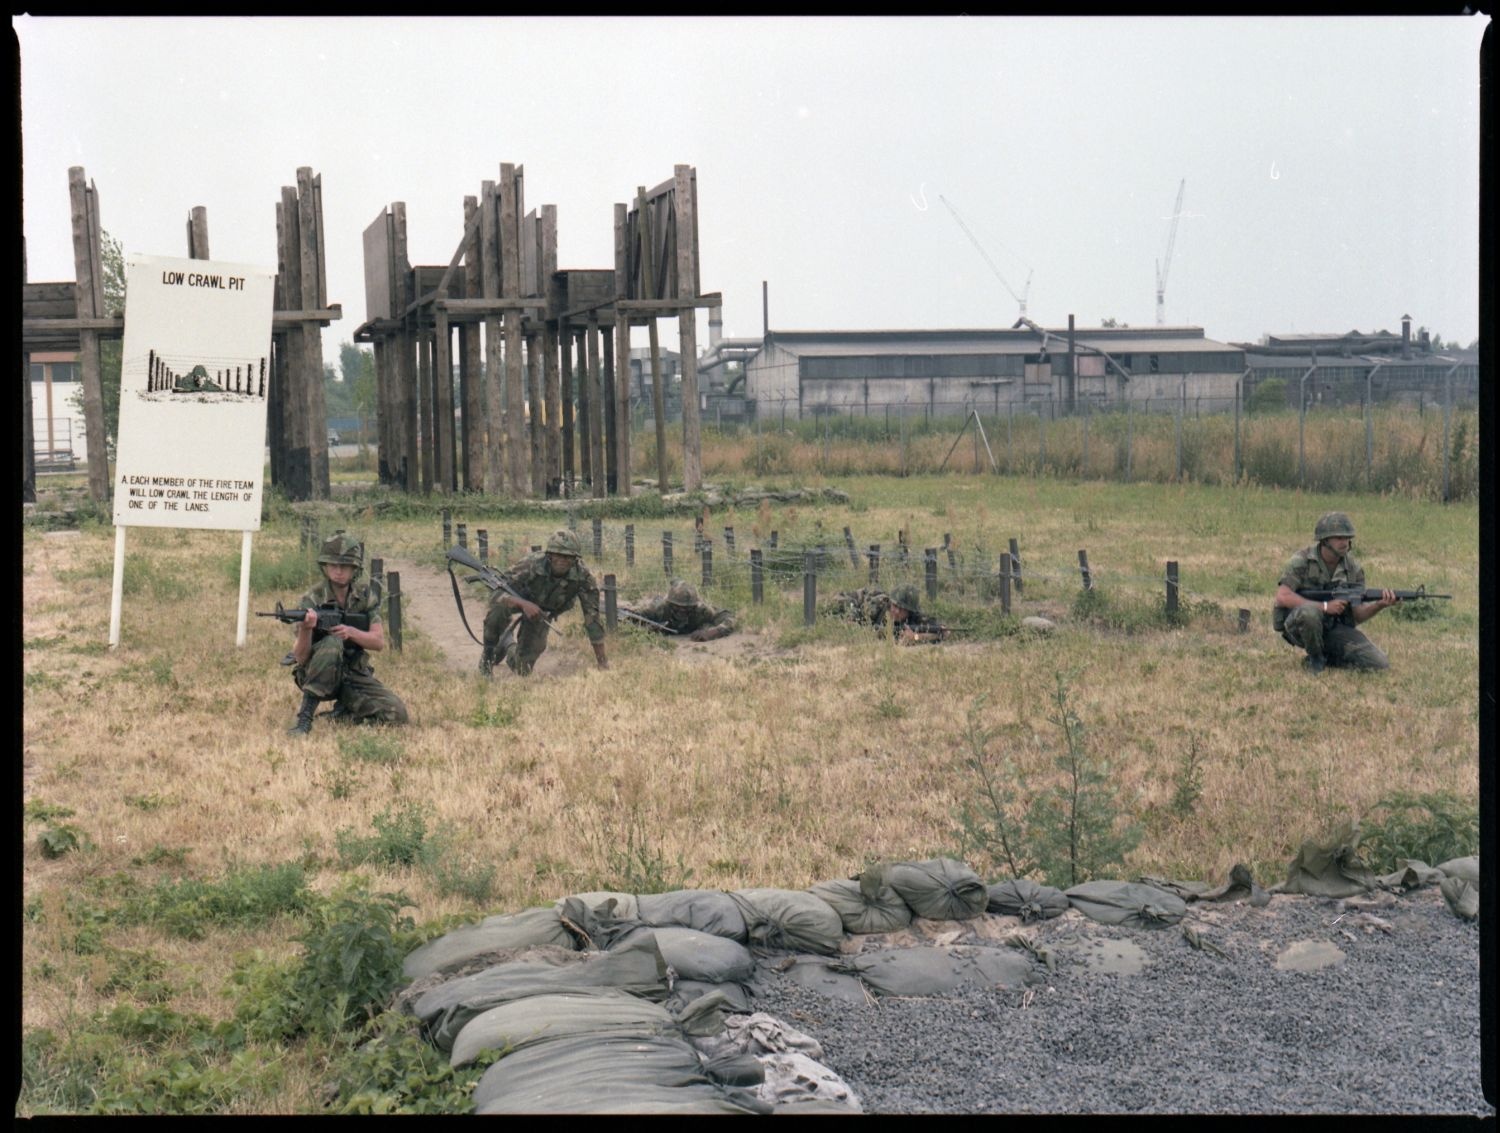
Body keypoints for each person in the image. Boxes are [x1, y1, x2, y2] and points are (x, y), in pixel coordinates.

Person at [287, 530, 408, 734]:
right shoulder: (312, 599)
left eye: (345, 566)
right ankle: (304, 719)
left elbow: (378, 642)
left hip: (353, 674)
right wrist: (307, 629)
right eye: (333, 565)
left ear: (355, 569)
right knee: (332, 643)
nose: (339, 571)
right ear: (325, 567)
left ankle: (345, 713)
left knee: (397, 714)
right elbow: (300, 656)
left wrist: (351, 632)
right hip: (315, 674)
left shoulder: (364, 596)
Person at [1273, 511, 1398, 673]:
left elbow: (1358, 615)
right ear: (1325, 540)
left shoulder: (1354, 569)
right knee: (1309, 613)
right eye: (1339, 538)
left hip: (1333, 628)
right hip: (1299, 625)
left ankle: (1328, 658)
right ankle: (1315, 659)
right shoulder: (1302, 560)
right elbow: (1283, 597)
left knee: (1379, 663)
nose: (1344, 542)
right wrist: (1325, 606)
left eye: (1347, 538)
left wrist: (1380, 605)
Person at [480, 529, 609, 676]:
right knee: (498, 610)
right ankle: (488, 658)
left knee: (523, 670)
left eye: (568, 557)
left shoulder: (583, 577)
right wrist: (524, 604)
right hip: (518, 600)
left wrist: (602, 662)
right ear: (549, 555)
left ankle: (507, 644)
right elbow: (496, 592)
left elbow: (592, 619)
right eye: (558, 555)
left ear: (575, 559)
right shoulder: (531, 564)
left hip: (541, 614)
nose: (562, 560)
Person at [826, 583, 949, 644]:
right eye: (894, 605)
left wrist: (916, 637)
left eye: (901, 609)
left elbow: (943, 632)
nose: (895, 611)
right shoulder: (876, 606)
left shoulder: (915, 615)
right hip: (853, 600)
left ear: (910, 611)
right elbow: (854, 623)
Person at [626, 579, 736, 642]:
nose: (682, 612)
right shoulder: (658, 609)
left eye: (687, 609)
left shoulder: (701, 610)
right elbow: (630, 617)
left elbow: (730, 617)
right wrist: (647, 629)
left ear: (694, 606)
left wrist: (712, 633)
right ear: (670, 605)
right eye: (677, 608)